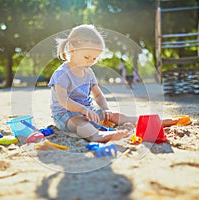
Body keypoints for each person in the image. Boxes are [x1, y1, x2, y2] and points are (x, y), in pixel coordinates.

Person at [48, 24, 177, 143]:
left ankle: (147, 122)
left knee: (114, 116)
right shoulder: (62, 73)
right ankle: (96, 136)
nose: (90, 62)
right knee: (80, 123)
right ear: (72, 49)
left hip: (88, 111)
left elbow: (98, 95)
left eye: (94, 58)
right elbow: (63, 100)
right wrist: (83, 110)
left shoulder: (89, 72)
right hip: (65, 115)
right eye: (87, 57)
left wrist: (105, 109)